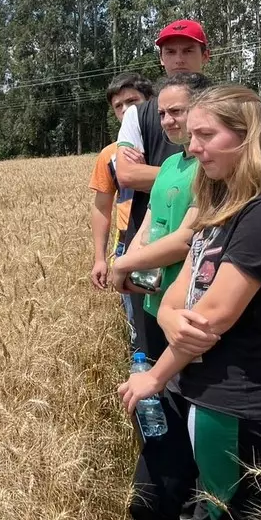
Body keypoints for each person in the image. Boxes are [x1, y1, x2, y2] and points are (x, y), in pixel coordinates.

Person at [118, 86, 261, 520]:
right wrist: (168, 315)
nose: (193, 147)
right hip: (188, 384)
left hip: (231, 399)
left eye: (206, 135)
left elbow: (209, 318)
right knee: (151, 503)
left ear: (247, 137)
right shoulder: (220, 204)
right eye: (191, 135)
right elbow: (174, 298)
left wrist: (153, 376)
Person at [116, 19, 210, 358]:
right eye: (170, 52)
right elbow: (126, 175)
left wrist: (124, 263)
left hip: (197, 284)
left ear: (206, 55)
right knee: (152, 354)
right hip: (152, 275)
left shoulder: (231, 112)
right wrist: (129, 261)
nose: (179, 59)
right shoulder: (141, 117)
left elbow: (190, 237)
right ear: (160, 58)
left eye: (188, 50)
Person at [88, 73, 153, 340]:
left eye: (133, 101)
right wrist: (100, 258)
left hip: (170, 240)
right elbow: (102, 207)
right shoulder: (109, 155)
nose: (126, 110)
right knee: (139, 325)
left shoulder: (169, 143)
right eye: (119, 106)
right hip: (128, 245)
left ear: (150, 103)